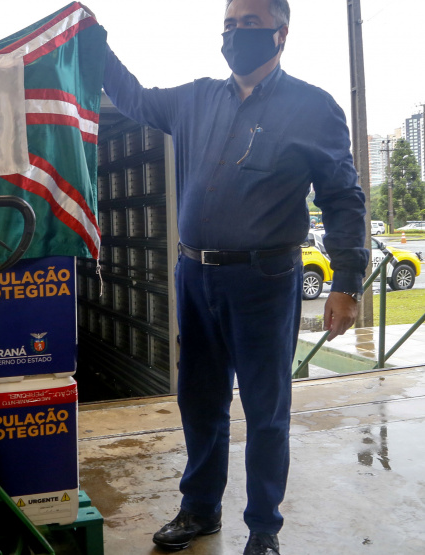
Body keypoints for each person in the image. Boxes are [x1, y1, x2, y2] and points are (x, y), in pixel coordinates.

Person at [102, 1, 367, 554]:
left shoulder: (313, 108)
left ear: (280, 33)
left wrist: (346, 281)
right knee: (199, 401)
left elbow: (343, 198)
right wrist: (94, 47)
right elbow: (134, 98)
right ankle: (200, 510)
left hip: (265, 282)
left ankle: (264, 529)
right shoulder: (196, 98)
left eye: (249, 23)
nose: (235, 33)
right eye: (228, 24)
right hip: (195, 274)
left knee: (266, 410)